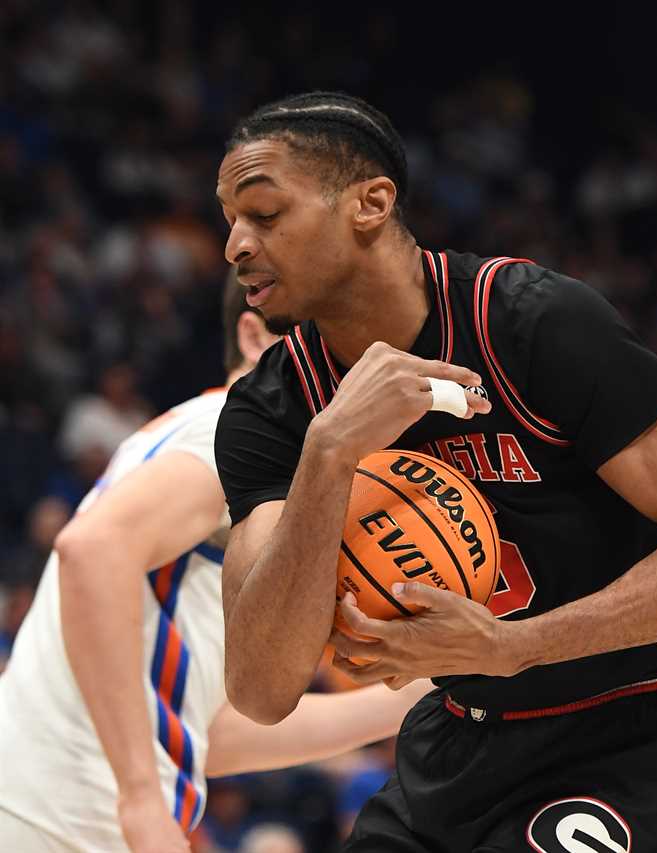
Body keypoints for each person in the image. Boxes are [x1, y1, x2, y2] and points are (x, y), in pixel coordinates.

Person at [212, 92, 657, 851]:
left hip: (613, 738)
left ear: (371, 203)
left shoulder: (531, 322)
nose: (235, 245)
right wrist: (329, 454)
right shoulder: (273, 409)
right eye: (229, 221)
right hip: (454, 743)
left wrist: (517, 645)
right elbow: (259, 688)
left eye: (264, 214)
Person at [0, 276, 431, 852]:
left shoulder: (231, 464)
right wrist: (141, 796)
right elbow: (91, 551)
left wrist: (408, 700)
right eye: (334, 348)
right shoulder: (227, 430)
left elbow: (207, 733)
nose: (353, 376)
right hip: (61, 812)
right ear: (254, 338)